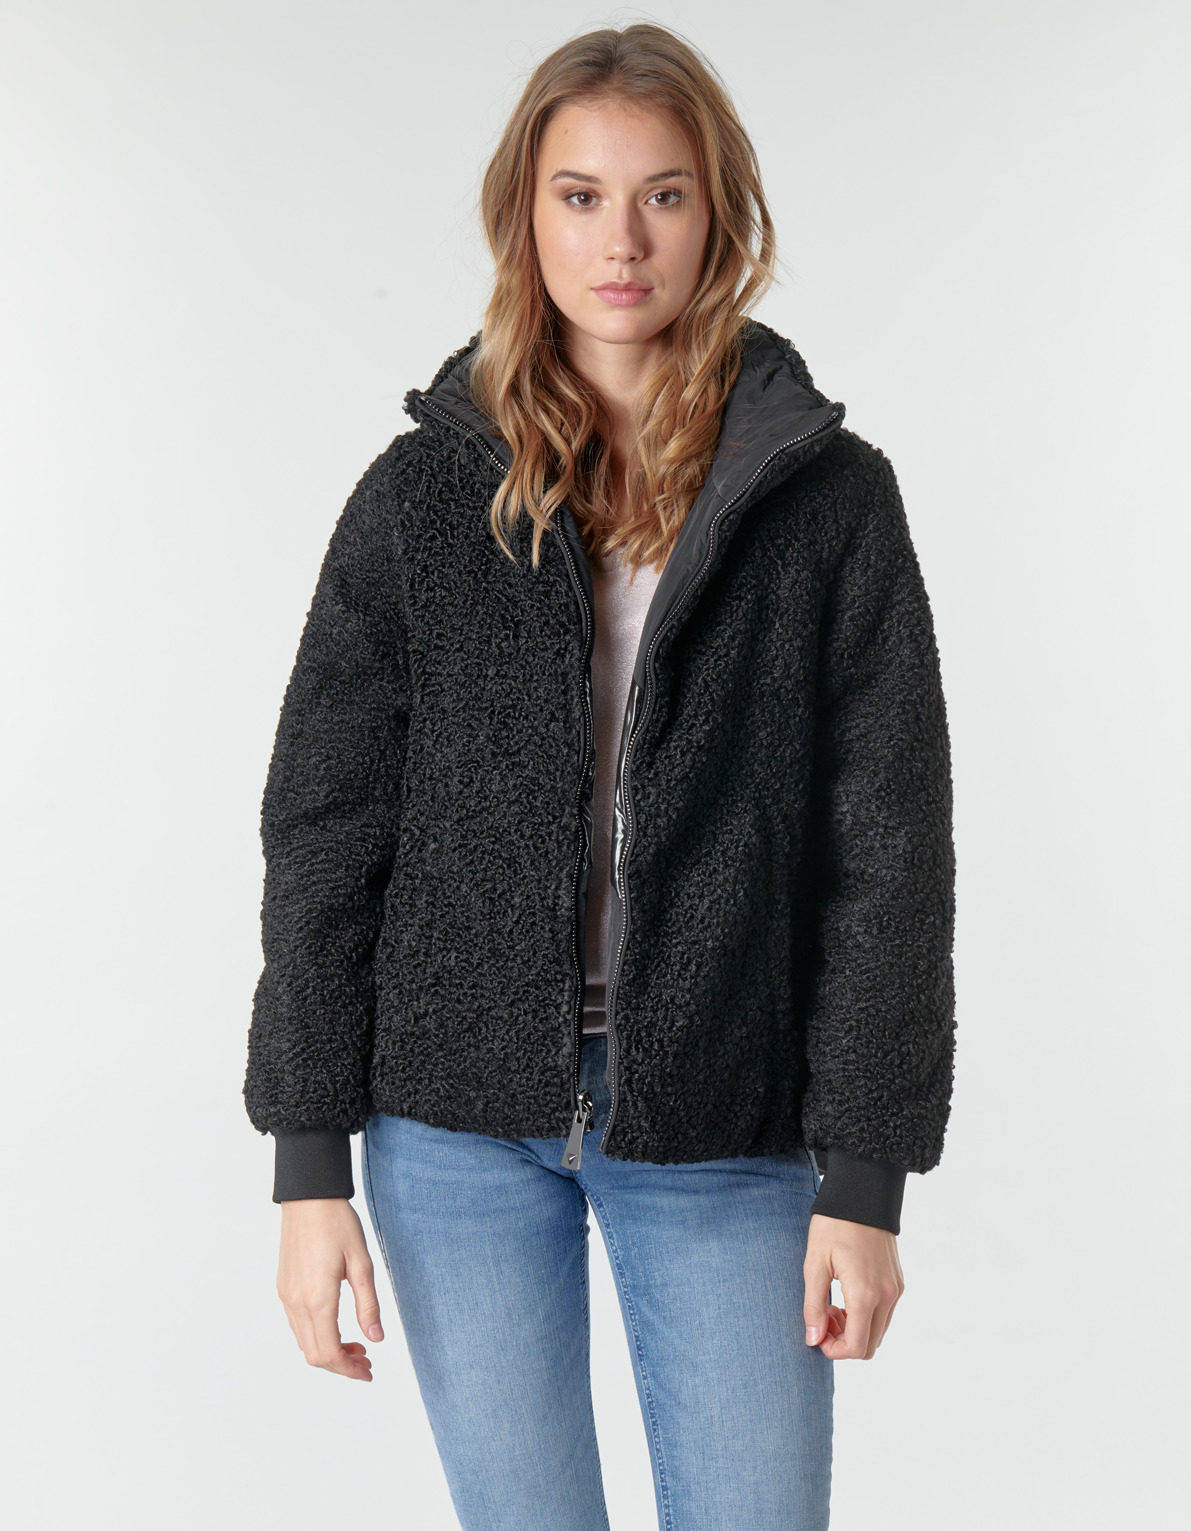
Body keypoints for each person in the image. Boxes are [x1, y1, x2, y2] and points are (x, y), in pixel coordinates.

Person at [243, 21, 956, 1531]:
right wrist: (310, 1166)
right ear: (526, 213)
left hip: (721, 1113)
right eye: (580, 196)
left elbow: (890, 851)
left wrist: (867, 1176)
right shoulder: (423, 493)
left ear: (720, 214)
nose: (620, 241)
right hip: (451, 1124)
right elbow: (322, 830)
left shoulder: (828, 499)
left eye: (662, 196)